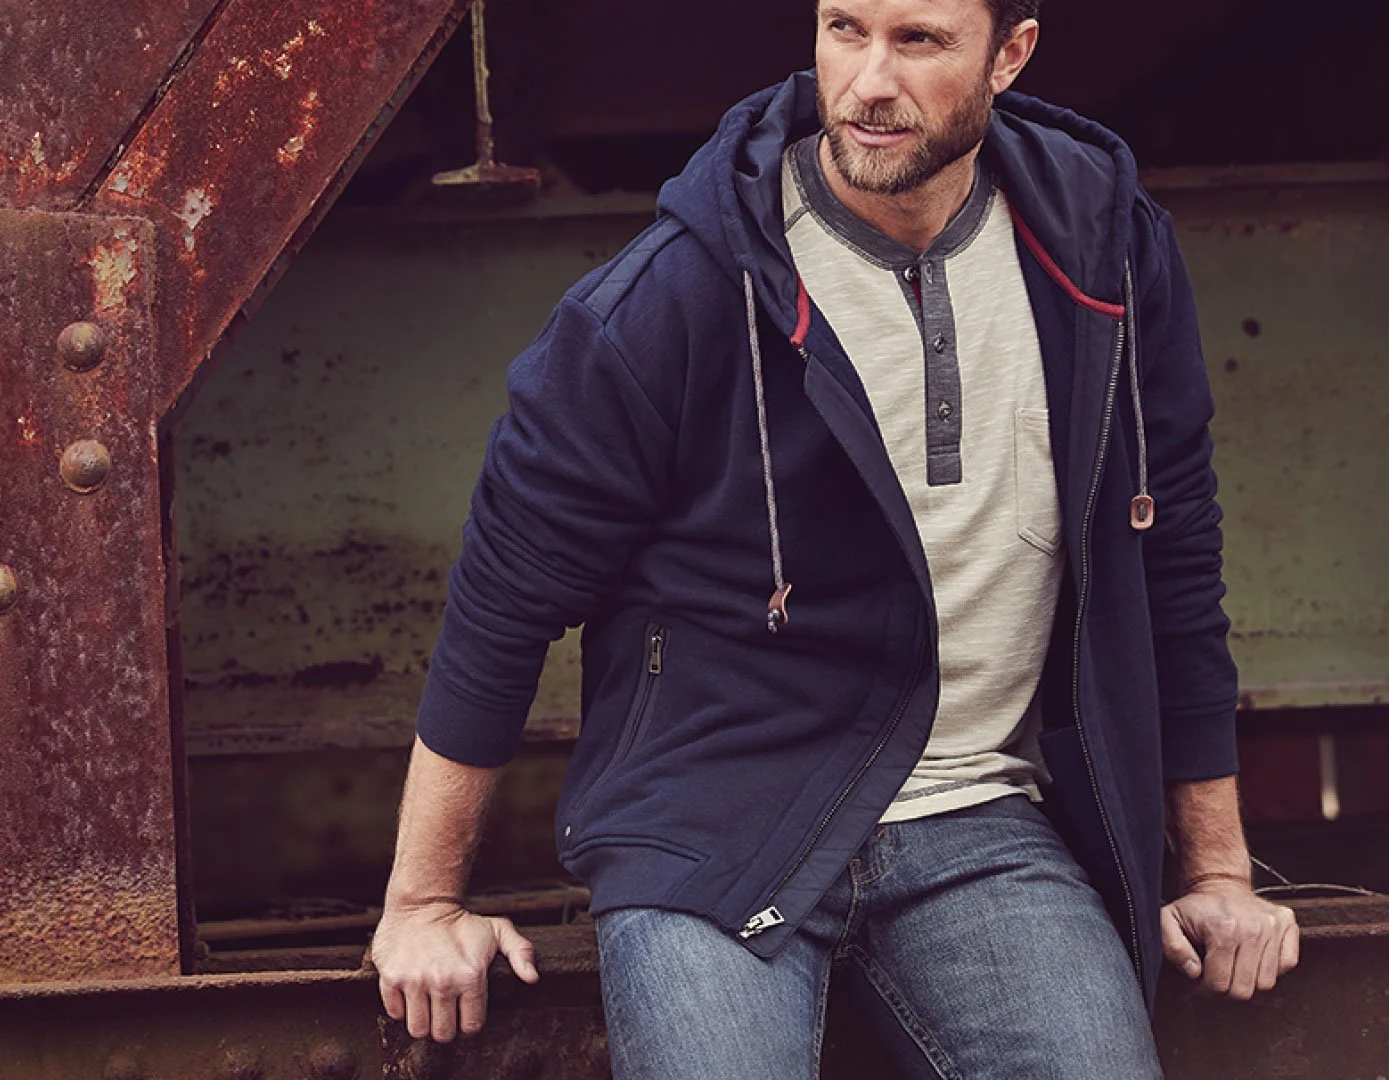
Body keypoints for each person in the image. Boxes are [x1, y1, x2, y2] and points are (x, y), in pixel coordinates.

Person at [367, 0, 1302, 1075]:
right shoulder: (669, 295)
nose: (867, 81)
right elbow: (503, 600)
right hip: (713, 824)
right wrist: (423, 902)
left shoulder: (1105, 248)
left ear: (1009, 56)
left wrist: (1217, 873)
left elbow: (1172, 554)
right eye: (844, 28)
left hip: (975, 816)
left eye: (918, 40)